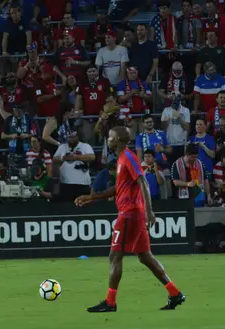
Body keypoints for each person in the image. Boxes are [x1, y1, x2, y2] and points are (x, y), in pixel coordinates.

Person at [75, 126, 185, 312]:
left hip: (130, 213)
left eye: (110, 137)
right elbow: (119, 188)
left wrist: (150, 211)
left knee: (115, 255)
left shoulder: (128, 157)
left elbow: (142, 181)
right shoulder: (121, 159)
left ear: (117, 139)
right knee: (145, 256)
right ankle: (175, 293)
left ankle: (110, 302)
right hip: (134, 213)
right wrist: (91, 197)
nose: (108, 140)